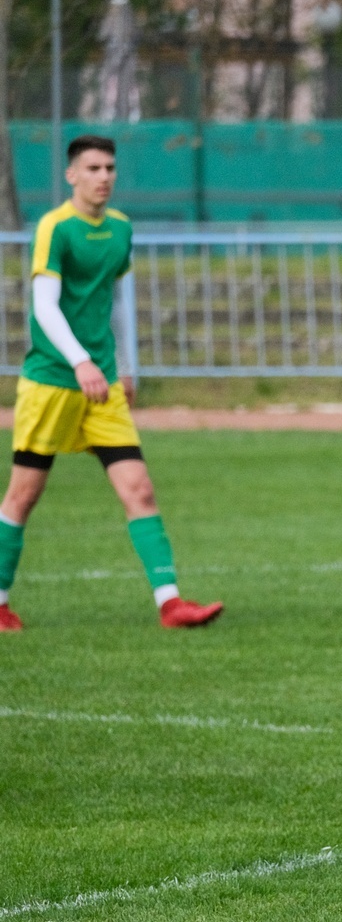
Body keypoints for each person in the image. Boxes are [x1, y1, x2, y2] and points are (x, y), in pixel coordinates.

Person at [0, 136, 222, 631]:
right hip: (51, 382)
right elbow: (44, 307)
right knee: (23, 496)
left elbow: (112, 301)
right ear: (71, 175)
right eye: (93, 168)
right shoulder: (55, 227)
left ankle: (171, 604)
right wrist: (81, 362)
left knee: (139, 489)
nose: (104, 177)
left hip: (102, 385)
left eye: (110, 168)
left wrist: (123, 363)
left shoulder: (121, 228)